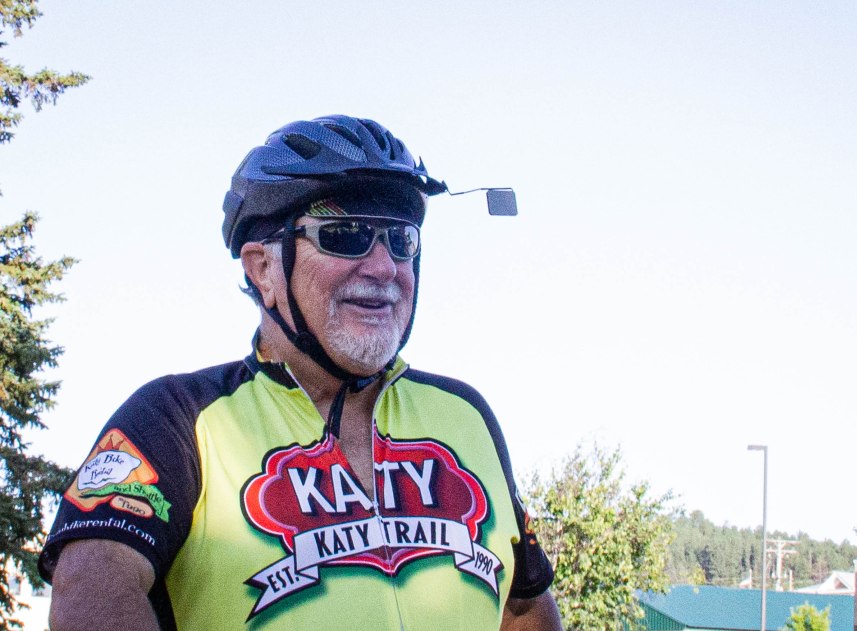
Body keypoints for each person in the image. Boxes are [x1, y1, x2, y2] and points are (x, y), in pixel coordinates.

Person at [40, 115, 562, 631]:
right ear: (263, 269)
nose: (385, 268)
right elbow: (89, 587)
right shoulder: (177, 418)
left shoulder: (466, 414)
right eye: (346, 235)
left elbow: (523, 608)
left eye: (401, 240)